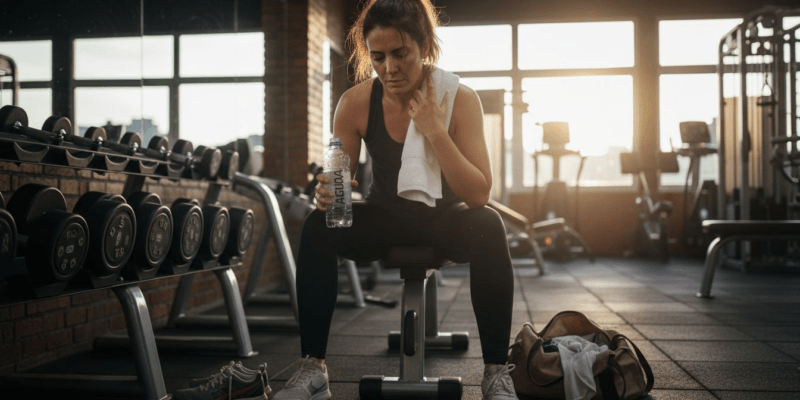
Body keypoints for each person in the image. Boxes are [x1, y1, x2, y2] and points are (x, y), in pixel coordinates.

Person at [272, 1, 517, 399]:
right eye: (378, 56)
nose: (389, 68)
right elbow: (340, 185)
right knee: (319, 225)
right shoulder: (353, 103)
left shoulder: (461, 100)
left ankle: (494, 372)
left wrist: (436, 131)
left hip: (446, 221)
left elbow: (478, 193)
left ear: (426, 49)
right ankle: (313, 367)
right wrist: (327, 193)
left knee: (488, 222)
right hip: (385, 218)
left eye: (401, 54)